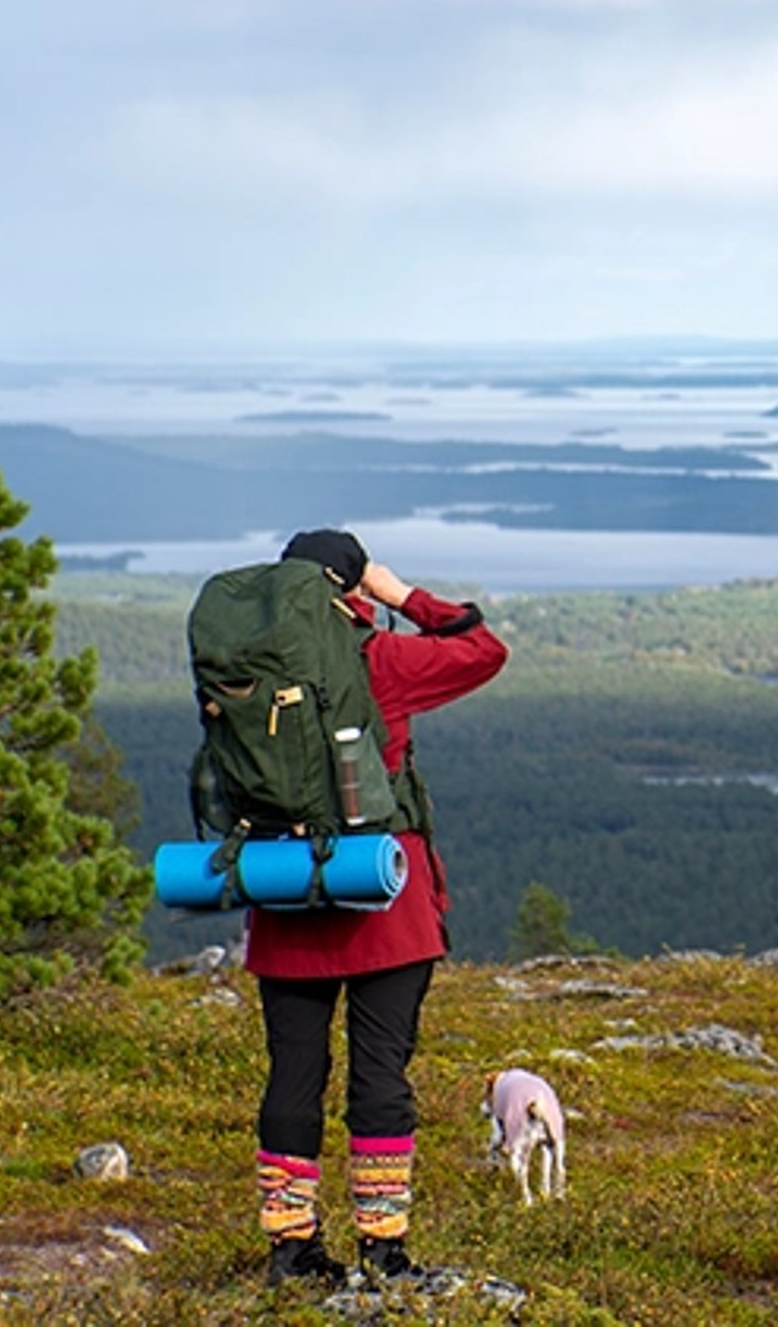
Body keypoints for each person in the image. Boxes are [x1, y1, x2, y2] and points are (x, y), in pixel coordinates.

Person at [247, 529, 508, 1286]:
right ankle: (382, 1250)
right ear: (349, 589)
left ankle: (291, 1250)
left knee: (292, 1074)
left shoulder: (246, 667)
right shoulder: (378, 659)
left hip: (284, 895)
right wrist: (401, 597)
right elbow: (481, 648)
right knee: (381, 1075)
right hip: (384, 899)